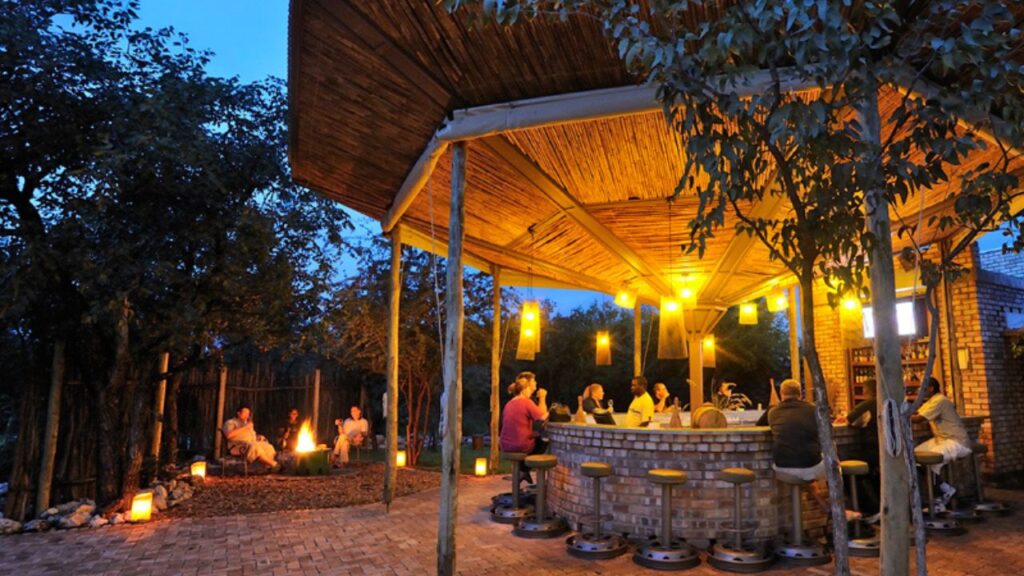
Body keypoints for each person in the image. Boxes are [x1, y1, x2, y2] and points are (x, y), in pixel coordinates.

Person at [913, 377, 971, 508]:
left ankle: (943, 494)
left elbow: (918, 419)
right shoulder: (931, 401)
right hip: (942, 440)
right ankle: (944, 491)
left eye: (922, 388)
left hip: (956, 441)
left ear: (931, 388)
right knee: (913, 456)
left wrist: (897, 416)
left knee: (930, 460)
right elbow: (916, 412)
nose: (919, 391)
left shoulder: (939, 400)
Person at [499, 371, 548, 484]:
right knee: (544, 441)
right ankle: (524, 470)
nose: (536, 383)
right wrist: (543, 398)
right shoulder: (526, 402)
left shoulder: (510, 403)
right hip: (519, 445)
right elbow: (542, 416)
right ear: (528, 386)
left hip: (505, 445)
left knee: (535, 436)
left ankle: (523, 471)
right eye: (534, 381)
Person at [223, 404, 279, 471]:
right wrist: (245, 427)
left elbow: (251, 436)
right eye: (245, 413)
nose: (247, 415)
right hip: (238, 446)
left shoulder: (246, 424)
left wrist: (258, 437)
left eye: (248, 413)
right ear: (238, 413)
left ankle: (267, 467)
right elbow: (229, 435)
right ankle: (274, 464)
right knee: (254, 446)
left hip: (250, 443)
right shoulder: (231, 422)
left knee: (268, 447)